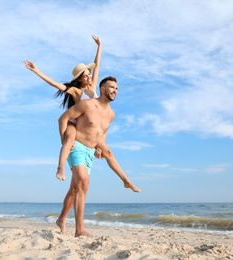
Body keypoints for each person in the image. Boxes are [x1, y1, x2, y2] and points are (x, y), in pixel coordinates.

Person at [56, 76, 141, 237]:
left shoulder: (111, 114)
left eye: (116, 88)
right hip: (77, 147)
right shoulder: (87, 104)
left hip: (90, 152)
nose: (115, 91)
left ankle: (61, 219)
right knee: (84, 182)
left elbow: (102, 134)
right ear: (102, 89)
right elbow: (63, 118)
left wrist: (98, 150)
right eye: (111, 87)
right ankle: (79, 230)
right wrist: (65, 141)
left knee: (75, 189)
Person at [24, 35, 102, 181]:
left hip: (89, 126)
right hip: (76, 124)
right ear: (79, 79)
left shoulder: (93, 86)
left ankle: (98, 152)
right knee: (69, 139)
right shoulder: (76, 91)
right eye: (85, 76)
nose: (89, 77)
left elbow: (97, 64)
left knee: (100, 141)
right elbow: (54, 83)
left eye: (89, 75)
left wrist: (99, 46)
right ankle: (60, 167)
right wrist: (36, 71)